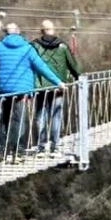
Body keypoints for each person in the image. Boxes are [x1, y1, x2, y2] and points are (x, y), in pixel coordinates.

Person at [0, 23, 63, 163]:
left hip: (4, 90)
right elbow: (42, 67)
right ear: (19, 33)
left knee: (4, 120)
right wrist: (58, 82)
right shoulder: (28, 49)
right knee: (19, 120)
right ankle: (18, 151)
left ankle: (3, 151)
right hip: (22, 91)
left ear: (6, 34)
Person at [29, 20, 81, 154]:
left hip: (40, 87)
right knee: (56, 116)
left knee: (41, 116)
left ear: (41, 31)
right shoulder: (62, 46)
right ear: (53, 30)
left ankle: (41, 146)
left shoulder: (34, 46)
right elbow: (73, 65)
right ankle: (54, 145)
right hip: (59, 86)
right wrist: (79, 78)